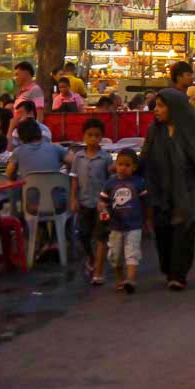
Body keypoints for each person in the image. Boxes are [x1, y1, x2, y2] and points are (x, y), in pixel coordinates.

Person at [144, 88, 195, 290]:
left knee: (183, 230)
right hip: (161, 189)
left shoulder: (190, 128)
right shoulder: (154, 131)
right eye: (156, 106)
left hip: (187, 189)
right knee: (163, 232)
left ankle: (179, 274)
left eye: (161, 106)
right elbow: (146, 158)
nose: (156, 110)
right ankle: (169, 271)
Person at [70, 118, 112, 285]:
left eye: (97, 135)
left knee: (101, 235)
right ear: (84, 137)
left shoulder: (106, 158)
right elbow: (73, 179)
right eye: (90, 135)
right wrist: (73, 198)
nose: (93, 138)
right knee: (83, 234)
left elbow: (110, 180)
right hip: (84, 202)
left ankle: (98, 268)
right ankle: (91, 257)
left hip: (100, 204)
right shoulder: (78, 157)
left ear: (101, 138)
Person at [99, 148, 147, 294]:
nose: (123, 168)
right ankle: (120, 278)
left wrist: (147, 221)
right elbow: (102, 201)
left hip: (134, 226)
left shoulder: (139, 182)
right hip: (115, 226)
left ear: (134, 167)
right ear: (115, 165)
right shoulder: (110, 183)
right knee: (115, 256)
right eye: (120, 164)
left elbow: (145, 203)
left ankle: (130, 279)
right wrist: (101, 207)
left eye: (127, 165)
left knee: (132, 253)